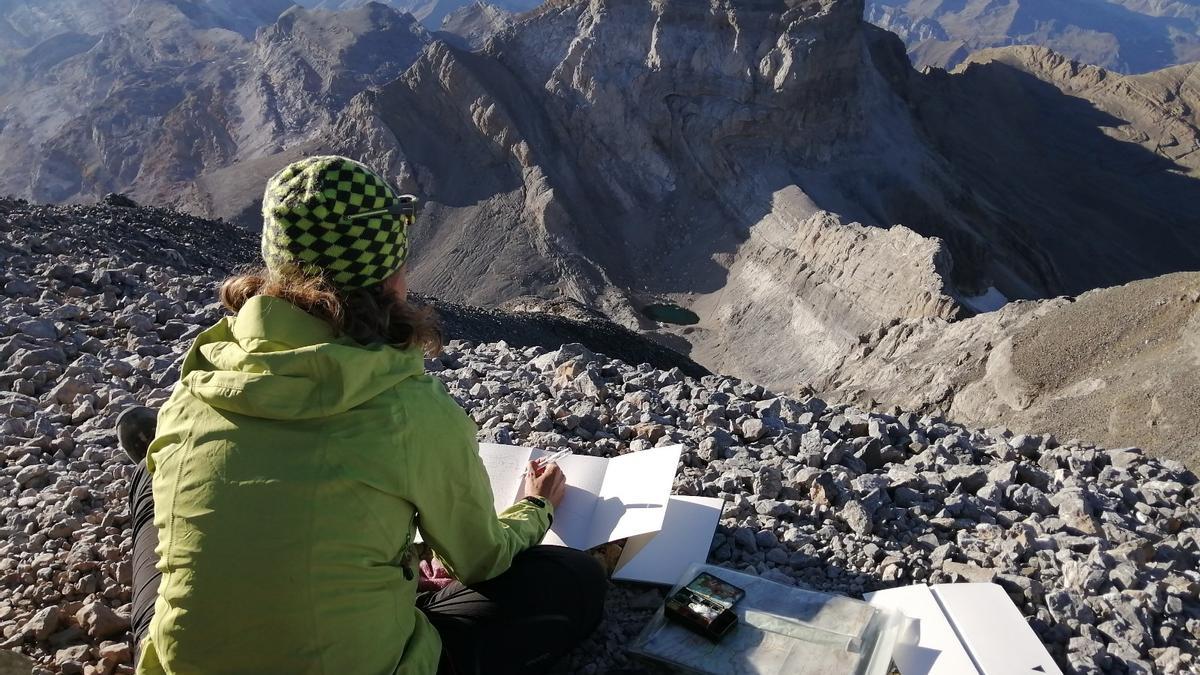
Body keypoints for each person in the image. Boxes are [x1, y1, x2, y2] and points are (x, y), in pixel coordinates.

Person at [118, 156, 607, 674]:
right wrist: (535, 509)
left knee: (154, 469)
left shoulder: (199, 384)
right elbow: (481, 559)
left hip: (180, 668)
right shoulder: (409, 409)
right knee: (572, 581)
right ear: (391, 281)